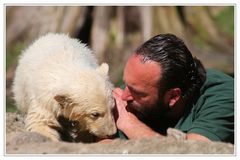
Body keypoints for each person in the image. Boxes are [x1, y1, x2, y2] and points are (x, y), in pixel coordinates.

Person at [112, 33, 234, 143]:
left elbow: (192, 154)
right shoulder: (138, 87)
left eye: (137, 92)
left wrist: (129, 124)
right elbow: (104, 143)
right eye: (127, 84)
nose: (124, 96)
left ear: (173, 97)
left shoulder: (224, 97)